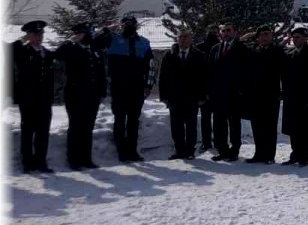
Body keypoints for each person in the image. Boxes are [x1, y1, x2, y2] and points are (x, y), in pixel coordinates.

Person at [98, 14, 155, 162]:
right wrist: (106, 30)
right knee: (120, 119)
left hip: (137, 88)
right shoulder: (113, 39)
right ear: (122, 25)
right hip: (118, 87)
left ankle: (132, 151)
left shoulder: (144, 43)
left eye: (131, 24)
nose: (129, 26)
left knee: (133, 120)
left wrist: (148, 85)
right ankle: (122, 151)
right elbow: (95, 43)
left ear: (135, 26)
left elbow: (151, 66)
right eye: (126, 24)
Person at [54, 22, 107, 170]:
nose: (86, 36)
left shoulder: (94, 50)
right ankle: (74, 160)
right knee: (75, 127)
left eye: (87, 33)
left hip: (92, 96)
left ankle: (86, 159)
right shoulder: (71, 49)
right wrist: (71, 41)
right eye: (83, 34)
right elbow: (58, 54)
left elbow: (101, 72)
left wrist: (102, 91)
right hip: (75, 95)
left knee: (88, 128)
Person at [158, 27, 208, 161]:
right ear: (177, 39)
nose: (183, 39)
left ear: (191, 39)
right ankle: (179, 150)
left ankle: (190, 151)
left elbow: (205, 78)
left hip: (192, 97)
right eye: (181, 37)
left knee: (191, 126)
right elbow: (162, 77)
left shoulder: (200, 55)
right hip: (174, 97)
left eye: (186, 36)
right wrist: (164, 97)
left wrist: (203, 96)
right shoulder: (169, 55)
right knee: (176, 126)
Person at [12, 21, 56, 172]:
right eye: (35, 34)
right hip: (28, 98)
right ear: (29, 35)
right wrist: (23, 40)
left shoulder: (47, 54)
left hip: (44, 99)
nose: (39, 37)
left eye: (41, 34)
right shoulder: (22, 52)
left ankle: (40, 161)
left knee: (43, 131)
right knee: (28, 131)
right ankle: (27, 163)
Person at [243, 25, 284, 164]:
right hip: (255, 95)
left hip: (271, 94)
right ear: (258, 37)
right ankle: (259, 153)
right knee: (257, 125)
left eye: (267, 34)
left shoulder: (277, 51)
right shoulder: (252, 51)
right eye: (261, 34)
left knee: (270, 126)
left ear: (271, 36)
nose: (264, 37)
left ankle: (269, 155)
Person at [207, 23, 248, 161]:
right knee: (219, 124)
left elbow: (245, 71)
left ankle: (234, 150)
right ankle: (222, 150)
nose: (226, 33)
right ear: (220, 33)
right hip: (218, 94)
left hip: (235, 94)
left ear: (235, 32)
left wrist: (243, 89)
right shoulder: (215, 49)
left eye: (228, 30)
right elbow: (210, 71)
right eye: (223, 31)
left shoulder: (242, 49)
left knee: (234, 124)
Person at [281, 27, 308, 166]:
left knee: (305, 129)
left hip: (305, 97)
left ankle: (304, 156)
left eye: (298, 37)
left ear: (305, 37)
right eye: (293, 37)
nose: (295, 40)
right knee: (293, 128)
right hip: (291, 96)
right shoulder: (290, 52)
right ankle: (295, 154)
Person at [197, 24, 221, 153]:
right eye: (210, 30)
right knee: (205, 117)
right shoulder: (200, 48)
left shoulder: (221, 47)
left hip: (218, 88)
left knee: (218, 118)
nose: (213, 33)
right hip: (204, 87)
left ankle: (218, 141)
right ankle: (206, 143)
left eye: (215, 31)